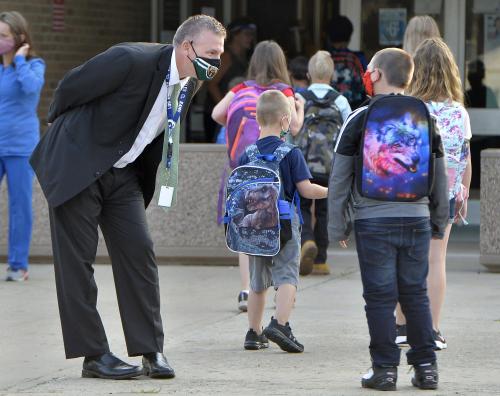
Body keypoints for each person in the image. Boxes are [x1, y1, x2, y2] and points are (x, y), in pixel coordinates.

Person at [30, 15, 225, 380]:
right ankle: (94, 355)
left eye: (219, 54)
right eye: (211, 53)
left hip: (123, 175)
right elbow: (69, 89)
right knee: (77, 264)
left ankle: (151, 350)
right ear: (187, 47)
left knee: (140, 254)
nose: (216, 62)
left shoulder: (190, 83)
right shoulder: (130, 60)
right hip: (79, 165)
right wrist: (74, 141)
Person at [328, 48, 449, 390]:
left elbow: (339, 176)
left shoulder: (359, 117)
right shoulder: (424, 115)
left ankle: (384, 370)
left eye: (368, 70)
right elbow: (439, 173)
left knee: (380, 297)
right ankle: (426, 367)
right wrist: (439, 218)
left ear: (376, 75)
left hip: (372, 220)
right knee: (415, 294)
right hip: (417, 219)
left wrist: (338, 223)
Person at [212, 40, 304, 312]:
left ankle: (246, 289)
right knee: (277, 227)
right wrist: (299, 106)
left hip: (244, 171)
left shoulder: (241, 88)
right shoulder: (283, 91)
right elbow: (295, 128)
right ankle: (278, 287)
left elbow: (218, 114)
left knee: (245, 226)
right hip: (276, 175)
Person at [395, 38, 472, 351]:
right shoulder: (460, 113)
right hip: (446, 195)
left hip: (411, 194)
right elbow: (464, 156)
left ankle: (401, 325)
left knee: (405, 257)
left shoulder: (409, 109)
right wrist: (462, 192)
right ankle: (433, 328)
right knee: (436, 259)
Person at [239, 90, 327, 353]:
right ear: (285, 121)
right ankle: (280, 324)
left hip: (253, 227)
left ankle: (253, 334)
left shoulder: (248, 153)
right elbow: (306, 189)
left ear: (257, 118)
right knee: (288, 274)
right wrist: (331, 192)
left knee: (257, 282)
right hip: (284, 226)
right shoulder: (291, 153)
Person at [295, 50, 351, 275]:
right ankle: (321, 260)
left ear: (308, 73)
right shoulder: (340, 101)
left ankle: (306, 240)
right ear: (332, 75)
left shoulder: (299, 98)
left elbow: (292, 130)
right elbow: (349, 132)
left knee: (303, 206)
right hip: (332, 165)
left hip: (303, 164)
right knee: (326, 210)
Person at [0, 11, 45, 282]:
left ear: (20, 38)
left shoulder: (33, 65)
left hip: (20, 147)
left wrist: (19, 61)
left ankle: (18, 265)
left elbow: (31, 89)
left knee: (20, 207)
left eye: (4, 36)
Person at [204, 19, 255, 142]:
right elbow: (212, 85)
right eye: (246, 34)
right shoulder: (226, 57)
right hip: (218, 114)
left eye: (251, 35)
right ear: (235, 35)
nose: (250, 38)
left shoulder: (245, 58)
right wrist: (225, 108)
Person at [325, 15, 367, 109]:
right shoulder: (358, 58)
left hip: (329, 108)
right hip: (354, 108)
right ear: (349, 37)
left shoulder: (324, 59)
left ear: (329, 37)